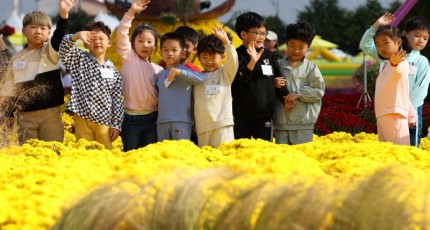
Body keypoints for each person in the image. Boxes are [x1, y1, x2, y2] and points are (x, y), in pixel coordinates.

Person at [1, 0, 77, 145]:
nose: (38, 31)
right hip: (25, 117)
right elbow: (9, 86)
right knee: (29, 154)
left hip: (50, 114)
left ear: (49, 33)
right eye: (33, 27)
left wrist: (64, 14)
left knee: (53, 152)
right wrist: (9, 113)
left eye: (43, 28)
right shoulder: (16, 57)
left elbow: (60, 35)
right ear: (24, 31)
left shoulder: (50, 51)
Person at [360, 13, 430, 147]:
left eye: (425, 38)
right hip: (389, 111)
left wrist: (409, 111)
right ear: (403, 36)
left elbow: (421, 90)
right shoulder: (387, 54)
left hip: (410, 111)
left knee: (410, 145)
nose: (420, 40)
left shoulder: (421, 61)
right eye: (417, 35)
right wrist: (376, 25)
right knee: (390, 147)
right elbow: (365, 44)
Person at [59, 21, 124, 150]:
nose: (97, 42)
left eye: (101, 38)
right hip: (82, 116)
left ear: (109, 43)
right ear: (85, 43)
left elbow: (117, 100)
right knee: (84, 150)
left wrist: (116, 124)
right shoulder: (79, 59)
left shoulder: (114, 72)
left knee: (104, 151)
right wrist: (76, 36)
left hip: (104, 120)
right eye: (93, 39)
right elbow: (63, 50)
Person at [116, 0, 163, 151]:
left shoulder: (159, 70)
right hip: (130, 120)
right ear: (132, 44)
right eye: (140, 41)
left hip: (152, 119)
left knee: (149, 156)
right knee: (130, 155)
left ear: (155, 46)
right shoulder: (129, 58)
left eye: (150, 42)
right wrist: (131, 13)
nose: (145, 45)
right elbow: (122, 33)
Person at [232, 11, 284, 141]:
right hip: (241, 113)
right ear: (243, 34)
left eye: (263, 33)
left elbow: (279, 79)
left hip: (264, 112)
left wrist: (286, 98)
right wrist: (252, 61)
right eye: (257, 33)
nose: (262, 37)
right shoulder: (236, 55)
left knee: (264, 149)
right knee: (240, 149)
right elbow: (240, 78)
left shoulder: (268, 55)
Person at [273, 21, 325, 145]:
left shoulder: (311, 68)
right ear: (286, 44)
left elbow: (319, 91)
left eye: (301, 47)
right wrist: (272, 84)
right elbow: (265, 89)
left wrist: (299, 93)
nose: (296, 50)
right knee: (282, 159)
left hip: (303, 124)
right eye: (292, 45)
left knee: (302, 159)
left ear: (308, 47)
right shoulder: (277, 66)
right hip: (281, 122)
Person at [193, 27, 239, 148]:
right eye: (205, 58)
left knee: (224, 157)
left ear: (222, 57)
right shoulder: (195, 77)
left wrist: (227, 43)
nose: (209, 62)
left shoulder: (225, 73)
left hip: (223, 125)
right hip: (202, 127)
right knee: (206, 160)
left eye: (213, 58)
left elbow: (233, 61)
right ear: (198, 58)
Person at [155, 32, 204, 141]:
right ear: (160, 53)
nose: (170, 53)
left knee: (181, 153)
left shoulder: (186, 71)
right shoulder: (159, 75)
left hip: (182, 121)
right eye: (166, 50)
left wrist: (179, 72)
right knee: (162, 154)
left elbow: (201, 79)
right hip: (161, 122)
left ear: (182, 53)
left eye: (174, 50)